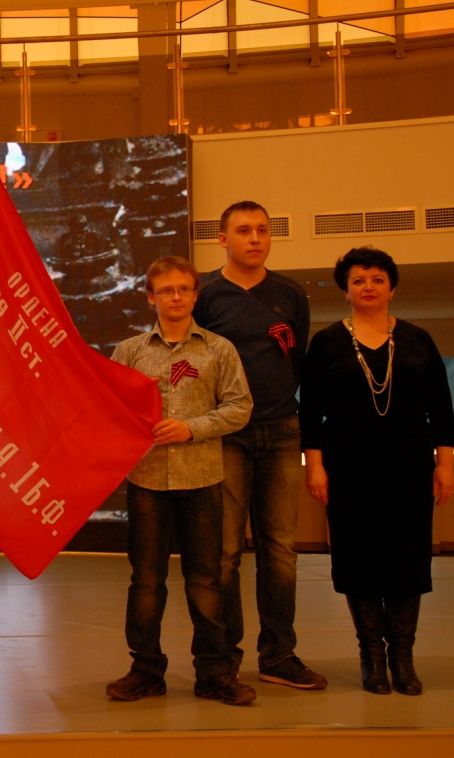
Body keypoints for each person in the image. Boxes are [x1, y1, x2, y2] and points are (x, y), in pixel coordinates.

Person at [301, 247, 454, 696]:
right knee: (359, 558)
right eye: (358, 280)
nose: (367, 287)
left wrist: (445, 464)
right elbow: (309, 411)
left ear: (392, 288)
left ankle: (402, 658)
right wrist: (316, 467)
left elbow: (441, 407)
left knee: (408, 558)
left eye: (377, 279)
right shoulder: (327, 342)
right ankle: (371, 657)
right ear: (345, 290)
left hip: (409, 467)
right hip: (348, 468)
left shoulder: (418, 339)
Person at [107, 256, 256, 705]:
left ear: (195, 295)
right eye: (166, 290)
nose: (176, 297)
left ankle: (214, 672)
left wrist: (192, 428)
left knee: (207, 580)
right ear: (150, 298)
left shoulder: (218, 350)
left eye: (184, 289)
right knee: (146, 580)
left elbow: (240, 406)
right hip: (148, 480)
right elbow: (110, 409)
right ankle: (145, 670)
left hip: (202, 479)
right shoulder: (130, 352)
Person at [193, 200, 326, 690]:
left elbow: (300, 368)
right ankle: (223, 658)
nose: (255, 238)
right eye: (244, 230)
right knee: (225, 553)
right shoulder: (206, 294)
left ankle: (278, 655)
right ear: (222, 239)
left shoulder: (290, 294)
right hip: (226, 438)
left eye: (263, 230)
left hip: (283, 433)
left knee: (281, 551)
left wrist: (312, 447)